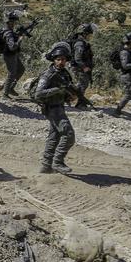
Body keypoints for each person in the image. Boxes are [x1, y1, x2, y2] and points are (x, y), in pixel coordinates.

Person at [33, 42, 78, 174]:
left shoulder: (64, 73)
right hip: (52, 108)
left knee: (54, 136)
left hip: (60, 107)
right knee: (68, 135)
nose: (61, 62)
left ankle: (46, 166)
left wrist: (70, 97)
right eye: (58, 59)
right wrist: (58, 89)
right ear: (53, 60)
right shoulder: (48, 74)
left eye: (63, 59)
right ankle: (58, 162)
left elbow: (66, 91)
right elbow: (38, 94)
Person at [0, 10, 26, 98]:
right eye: (12, 21)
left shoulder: (9, 31)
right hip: (9, 55)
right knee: (12, 73)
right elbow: (12, 47)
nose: (14, 23)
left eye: (14, 21)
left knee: (21, 69)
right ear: (8, 22)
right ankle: (5, 94)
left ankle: (11, 88)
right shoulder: (8, 33)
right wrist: (19, 41)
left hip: (13, 54)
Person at [70, 23, 97, 109]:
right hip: (79, 68)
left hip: (80, 67)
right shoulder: (80, 44)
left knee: (81, 85)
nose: (90, 36)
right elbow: (77, 58)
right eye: (89, 34)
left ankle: (71, 99)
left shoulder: (83, 43)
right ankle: (80, 104)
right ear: (85, 33)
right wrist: (84, 67)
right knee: (83, 84)